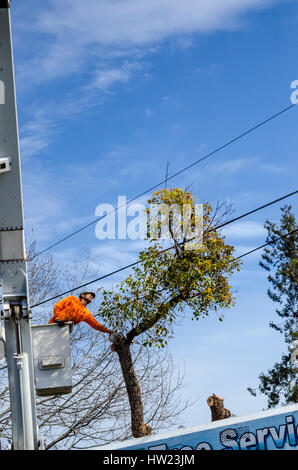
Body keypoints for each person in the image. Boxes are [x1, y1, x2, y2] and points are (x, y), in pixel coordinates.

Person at [49, 291, 113, 335]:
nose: (91, 297)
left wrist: (108, 331)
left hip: (64, 331)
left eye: (92, 297)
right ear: (82, 295)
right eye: (90, 295)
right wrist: (57, 318)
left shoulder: (86, 313)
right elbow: (58, 306)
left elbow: (96, 325)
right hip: (53, 325)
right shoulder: (72, 299)